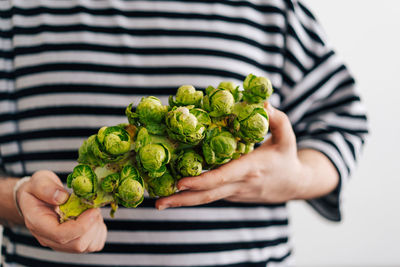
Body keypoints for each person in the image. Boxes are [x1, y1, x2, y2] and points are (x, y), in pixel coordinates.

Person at [0, 0, 368, 266]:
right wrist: (17, 198)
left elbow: (343, 125)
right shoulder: (14, 11)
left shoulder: (272, 10)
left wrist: (296, 178)